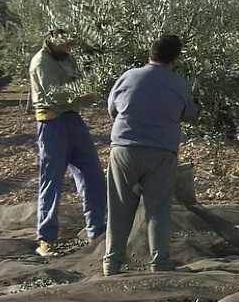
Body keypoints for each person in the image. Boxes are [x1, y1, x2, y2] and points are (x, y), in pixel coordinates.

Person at [102, 34, 198, 276]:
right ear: (175, 59)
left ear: (149, 53)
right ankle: (160, 263)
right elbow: (191, 114)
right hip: (160, 152)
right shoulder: (178, 84)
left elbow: (112, 109)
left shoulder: (128, 76)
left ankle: (111, 264)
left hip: (123, 148)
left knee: (119, 207)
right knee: (157, 209)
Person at [28, 28, 106, 257]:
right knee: (50, 182)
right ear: (53, 35)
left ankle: (96, 233)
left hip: (74, 121)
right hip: (52, 123)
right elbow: (56, 95)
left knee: (93, 178)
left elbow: (80, 85)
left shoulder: (67, 58)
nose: (71, 45)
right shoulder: (41, 62)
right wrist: (84, 94)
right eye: (68, 40)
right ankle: (46, 239)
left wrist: (88, 91)